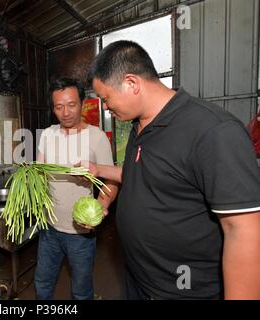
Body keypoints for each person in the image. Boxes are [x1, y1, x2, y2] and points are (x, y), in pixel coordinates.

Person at [83, 40, 260, 300]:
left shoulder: (213, 131)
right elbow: (140, 175)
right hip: (139, 280)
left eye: (106, 98)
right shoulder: (139, 127)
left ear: (132, 83)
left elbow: (243, 230)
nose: (106, 107)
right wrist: (96, 169)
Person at [34, 77, 119, 300]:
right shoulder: (47, 135)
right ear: (53, 108)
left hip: (80, 233)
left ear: (83, 103)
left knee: (81, 291)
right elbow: (39, 174)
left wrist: (103, 204)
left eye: (72, 104)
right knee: (42, 282)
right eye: (59, 107)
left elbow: (111, 181)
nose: (66, 112)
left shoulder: (97, 137)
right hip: (49, 228)